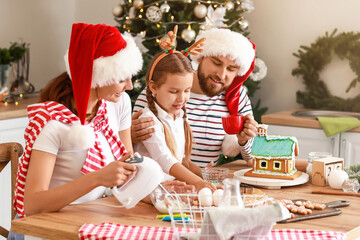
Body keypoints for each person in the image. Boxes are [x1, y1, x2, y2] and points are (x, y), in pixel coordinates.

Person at [12, 23, 145, 219]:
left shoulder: (118, 104)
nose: (130, 86)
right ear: (98, 75)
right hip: (49, 227)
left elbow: (127, 169)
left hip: (92, 217)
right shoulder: (54, 123)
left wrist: (161, 189)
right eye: (121, 78)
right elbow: (32, 204)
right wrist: (98, 178)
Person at [132, 28, 258, 167]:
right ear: (200, 57)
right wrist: (129, 135)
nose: (221, 75)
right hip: (162, 182)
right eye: (216, 63)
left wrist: (244, 141)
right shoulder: (161, 90)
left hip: (203, 183)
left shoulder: (236, 98)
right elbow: (129, 149)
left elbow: (254, 159)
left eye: (231, 69)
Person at [134, 27, 217, 191]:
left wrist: (204, 176)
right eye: (174, 91)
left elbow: (181, 161)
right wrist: (198, 183)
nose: (182, 99)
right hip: (147, 193)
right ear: (154, 87)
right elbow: (165, 160)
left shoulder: (177, 117)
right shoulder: (148, 120)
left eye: (187, 91)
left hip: (170, 190)